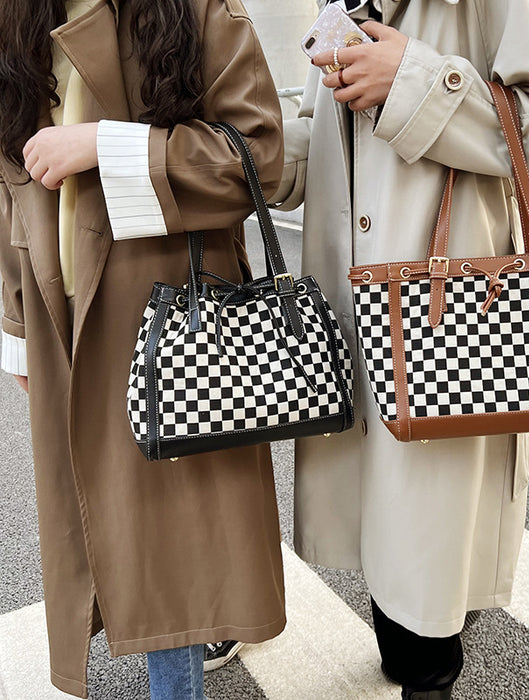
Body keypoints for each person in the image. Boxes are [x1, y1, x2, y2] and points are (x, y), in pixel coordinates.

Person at [272, 0, 529, 698]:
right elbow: (319, 131)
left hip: (447, 309)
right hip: (355, 307)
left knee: (427, 551)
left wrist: (410, 78)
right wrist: (243, 150)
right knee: (394, 537)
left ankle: (431, 666)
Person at [0, 1, 286, 698]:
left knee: (171, 542)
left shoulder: (194, 9)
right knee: (104, 532)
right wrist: (16, 333)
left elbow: (259, 155)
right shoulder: (16, 17)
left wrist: (110, 145)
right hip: (58, 314)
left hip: (172, 312)